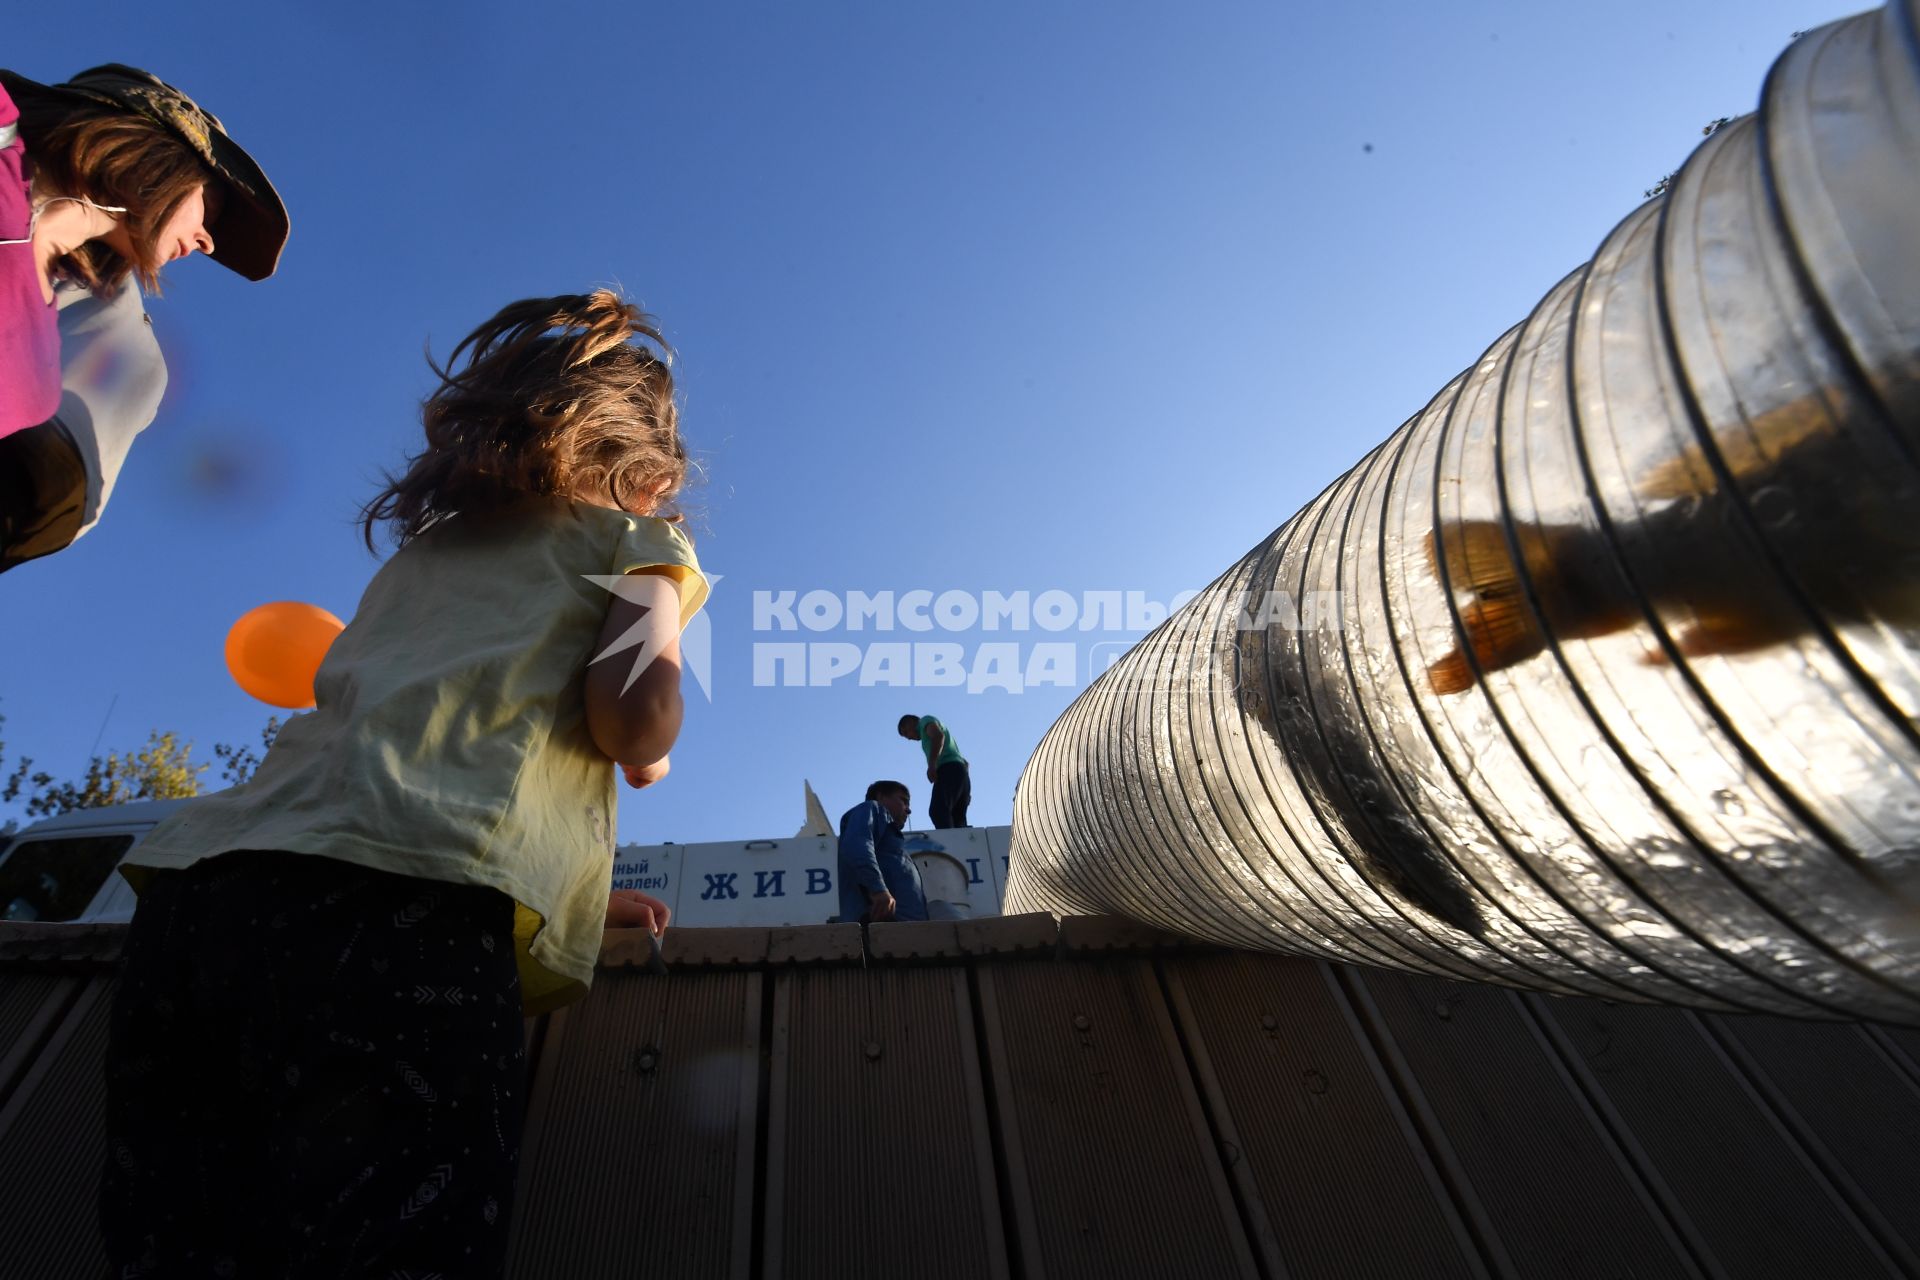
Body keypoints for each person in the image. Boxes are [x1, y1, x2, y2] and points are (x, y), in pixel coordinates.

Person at [98, 290, 706, 1278]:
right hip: (403, 921)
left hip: (203, 901)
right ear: (654, 471)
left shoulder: (421, 559)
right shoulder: (637, 546)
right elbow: (631, 716)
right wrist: (653, 749)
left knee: (179, 1245)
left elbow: (420, 741)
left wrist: (579, 897)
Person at [0, 63, 287, 570]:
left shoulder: (52, 331)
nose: (207, 240)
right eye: (210, 208)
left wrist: (45, 244)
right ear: (157, 157)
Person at [837, 780, 928, 923]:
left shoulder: (895, 845)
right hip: (883, 924)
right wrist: (878, 889)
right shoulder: (873, 809)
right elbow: (858, 845)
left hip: (909, 931)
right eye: (903, 800)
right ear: (880, 796)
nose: (908, 810)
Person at [898, 711, 971, 828]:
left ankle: (950, 845)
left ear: (912, 721)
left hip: (949, 769)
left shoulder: (924, 721)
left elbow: (938, 736)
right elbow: (965, 763)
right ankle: (962, 844)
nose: (909, 738)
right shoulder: (943, 741)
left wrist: (932, 764)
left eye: (906, 732)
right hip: (960, 772)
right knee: (957, 819)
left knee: (938, 811)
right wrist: (964, 788)